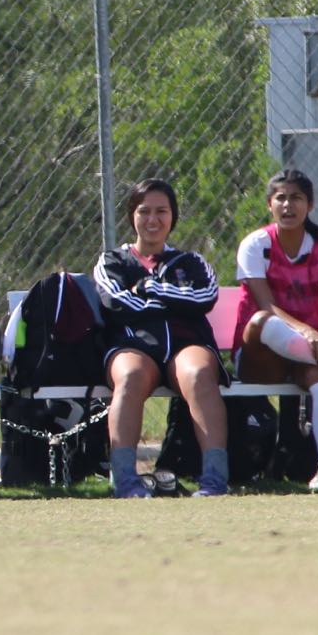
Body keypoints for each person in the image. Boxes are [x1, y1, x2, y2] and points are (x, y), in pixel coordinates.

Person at [231, 169, 318, 494]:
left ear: (309, 204)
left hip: (307, 356)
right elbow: (265, 306)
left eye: (296, 197)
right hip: (260, 359)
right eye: (280, 197)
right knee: (260, 322)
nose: (288, 205)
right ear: (269, 204)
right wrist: (309, 333)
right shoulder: (255, 244)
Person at [93, 178, 229, 498]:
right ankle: (125, 481)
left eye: (161, 211)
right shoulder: (111, 261)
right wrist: (172, 301)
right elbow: (115, 302)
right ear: (132, 216)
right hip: (133, 346)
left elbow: (205, 297)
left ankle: (214, 480)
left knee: (198, 374)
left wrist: (151, 289)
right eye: (144, 211)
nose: (152, 220)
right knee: (130, 375)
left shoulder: (191, 262)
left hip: (186, 345)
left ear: (173, 217)